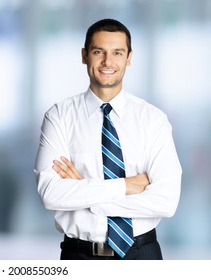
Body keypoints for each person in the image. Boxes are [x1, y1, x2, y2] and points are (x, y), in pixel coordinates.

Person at [34, 18, 182, 260]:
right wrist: (125, 186)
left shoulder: (153, 120)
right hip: (79, 257)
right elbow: (50, 194)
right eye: (98, 52)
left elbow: (166, 201)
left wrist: (89, 195)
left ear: (129, 57)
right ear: (84, 55)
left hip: (142, 255)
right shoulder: (59, 117)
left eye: (117, 52)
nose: (107, 62)